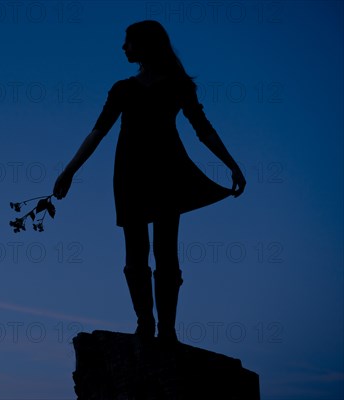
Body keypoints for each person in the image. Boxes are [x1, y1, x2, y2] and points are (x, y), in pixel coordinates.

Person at [53, 20, 246, 343]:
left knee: (166, 254)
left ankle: (167, 331)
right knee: (135, 254)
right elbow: (97, 132)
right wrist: (70, 169)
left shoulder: (177, 85)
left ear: (145, 45)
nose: (123, 48)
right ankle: (145, 325)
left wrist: (232, 164)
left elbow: (203, 129)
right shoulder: (122, 89)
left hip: (167, 172)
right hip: (130, 174)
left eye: (128, 42)